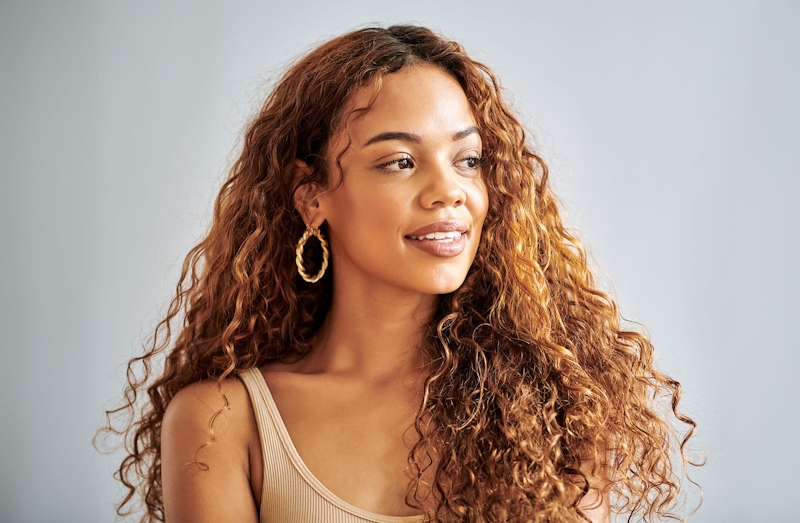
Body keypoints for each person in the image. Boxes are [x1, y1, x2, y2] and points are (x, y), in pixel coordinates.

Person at [99, 25, 699, 523]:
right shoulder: (222, 421)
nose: (449, 192)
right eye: (400, 162)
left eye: (468, 159)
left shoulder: (556, 410)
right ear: (311, 198)